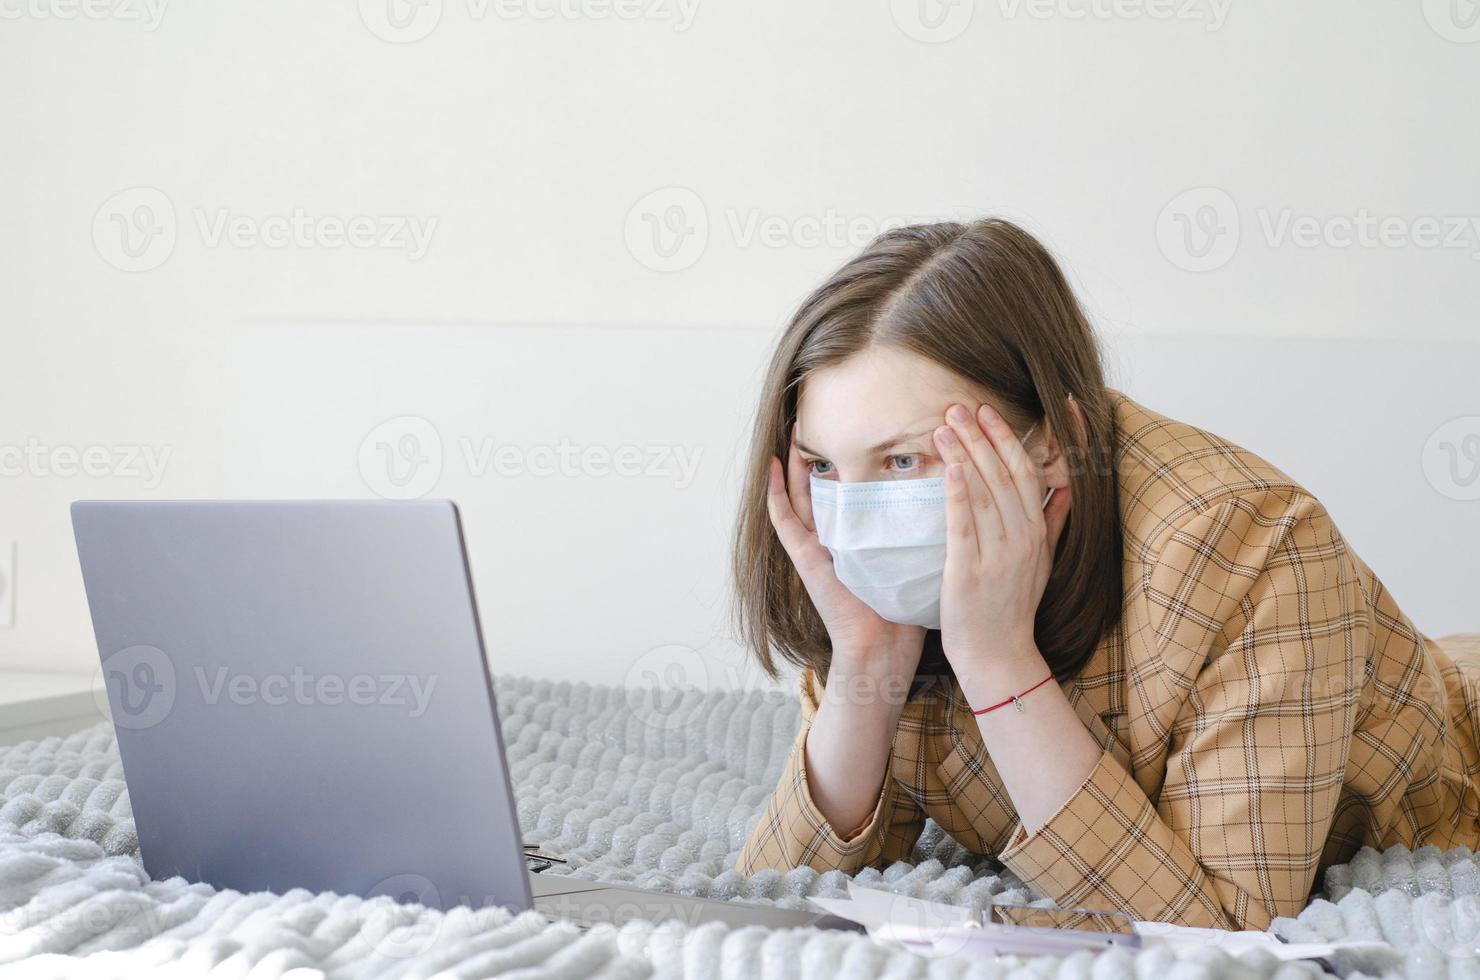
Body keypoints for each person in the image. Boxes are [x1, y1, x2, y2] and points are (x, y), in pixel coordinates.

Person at [728, 217, 1480, 931]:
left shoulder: (1252, 545)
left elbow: (1223, 932)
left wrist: (998, 662)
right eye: (824, 466)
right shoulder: (866, 569)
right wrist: (867, 662)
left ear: (1051, 445)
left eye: (903, 461)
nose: (858, 522)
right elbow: (771, 895)